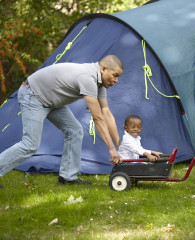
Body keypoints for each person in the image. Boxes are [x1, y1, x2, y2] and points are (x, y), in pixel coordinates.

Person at [0, 55, 124, 187]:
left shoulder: (100, 84)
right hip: (33, 95)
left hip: (50, 100)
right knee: (30, 144)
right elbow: (98, 118)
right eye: (114, 75)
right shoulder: (87, 77)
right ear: (103, 69)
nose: (116, 80)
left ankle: (68, 178)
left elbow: (106, 112)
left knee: (74, 130)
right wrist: (111, 149)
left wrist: (119, 145)